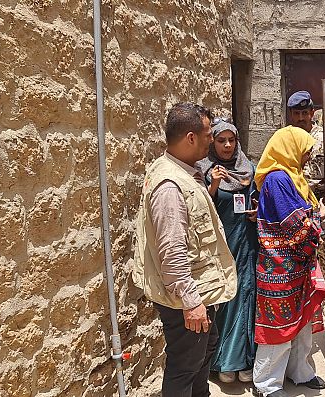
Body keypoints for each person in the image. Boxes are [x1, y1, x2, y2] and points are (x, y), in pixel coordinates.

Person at [131, 102, 238, 397]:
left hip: (197, 293)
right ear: (190, 137)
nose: (211, 140)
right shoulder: (170, 185)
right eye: (207, 134)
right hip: (185, 299)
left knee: (203, 353)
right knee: (185, 365)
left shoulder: (184, 172)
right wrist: (191, 302)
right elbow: (172, 250)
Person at [251, 126, 325, 397]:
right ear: (290, 148)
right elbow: (297, 226)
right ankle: (266, 383)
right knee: (278, 327)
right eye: (305, 150)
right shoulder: (277, 180)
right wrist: (321, 216)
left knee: (302, 322)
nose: (308, 156)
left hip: (297, 266)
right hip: (280, 268)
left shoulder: (293, 178)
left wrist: (314, 214)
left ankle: (300, 372)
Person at [196, 121, 258, 384]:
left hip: (247, 242)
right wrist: (213, 186)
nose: (227, 146)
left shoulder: (247, 169)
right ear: (213, 143)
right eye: (221, 140)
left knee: (247, 295)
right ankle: (224, 361)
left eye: (231, 140)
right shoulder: (204, 170)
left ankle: (246, 360)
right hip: (222, 246)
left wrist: (258, 212)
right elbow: (199, 210)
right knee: (226, 299)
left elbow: (256, 198)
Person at [286, 90, 325, 199]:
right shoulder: (286, 139)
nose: (301, 118)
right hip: (293, 198)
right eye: (296, 113)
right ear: (291, 115)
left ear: (312, 113)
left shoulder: (323, 138)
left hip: (319, 199)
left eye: (304, 113)